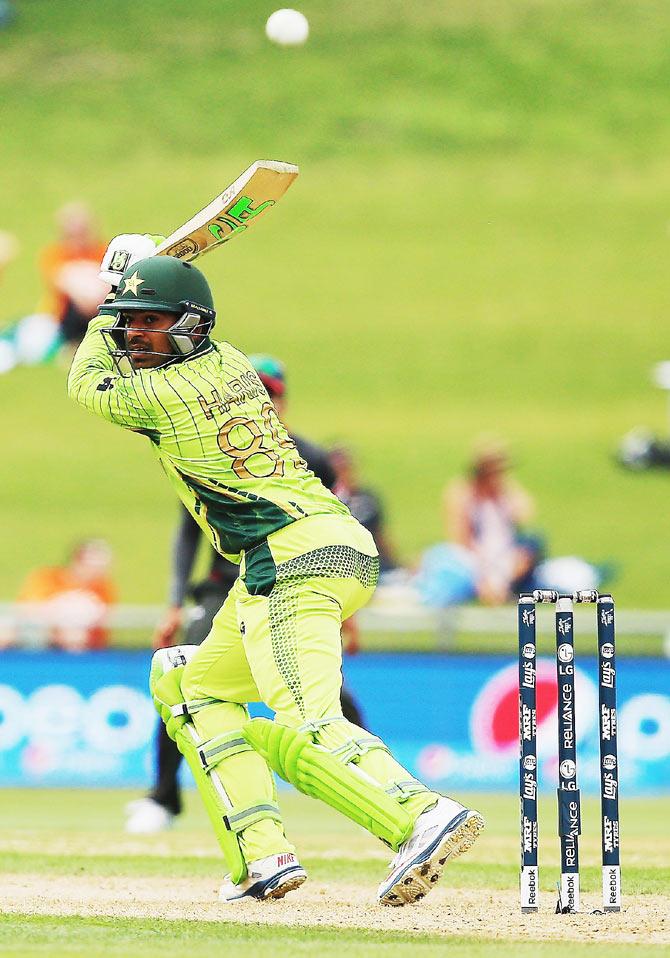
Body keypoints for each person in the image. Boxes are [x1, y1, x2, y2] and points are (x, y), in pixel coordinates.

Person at [68, 241, 483, 906]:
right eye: (129, 322)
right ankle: (262, 857)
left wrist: (102, 302)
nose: (131, 335)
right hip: (322, 549)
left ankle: (421, 813)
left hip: (291, 559)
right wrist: (134, 290)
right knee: (188, 685)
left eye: (147, 322)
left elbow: (84, 382)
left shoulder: (159, 394)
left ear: (188, 324)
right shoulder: (230, 362)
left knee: (311, 719)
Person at [127, 355, 364, 835]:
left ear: (283, 399)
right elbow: (187, 532)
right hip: (222, 586)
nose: (265, 403)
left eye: (272, 394)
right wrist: (175, 600)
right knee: (185, 679)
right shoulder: (206, 449)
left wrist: (345, 611)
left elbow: (329, 523)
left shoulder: (311, 457)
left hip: (288, 579)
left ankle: (370, 782)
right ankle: (163, 797)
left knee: (324, 691)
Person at [443, 440, 540, 604]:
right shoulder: (464, 493)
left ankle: (502, 588)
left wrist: (504, 490)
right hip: (477, 553)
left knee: (532, 543)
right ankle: (494, 590)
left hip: (506, 552)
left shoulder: (503, 493)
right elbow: (462, 536)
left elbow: (524, 514)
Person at [12, 539, 115, 650]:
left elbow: (103, 622)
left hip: (80, 640)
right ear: (78, 561)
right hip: (42, 633)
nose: (100, 571)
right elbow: (28, 610)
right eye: (94, 565)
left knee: (74, 637)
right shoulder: (47, 578)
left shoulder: (103, 588)